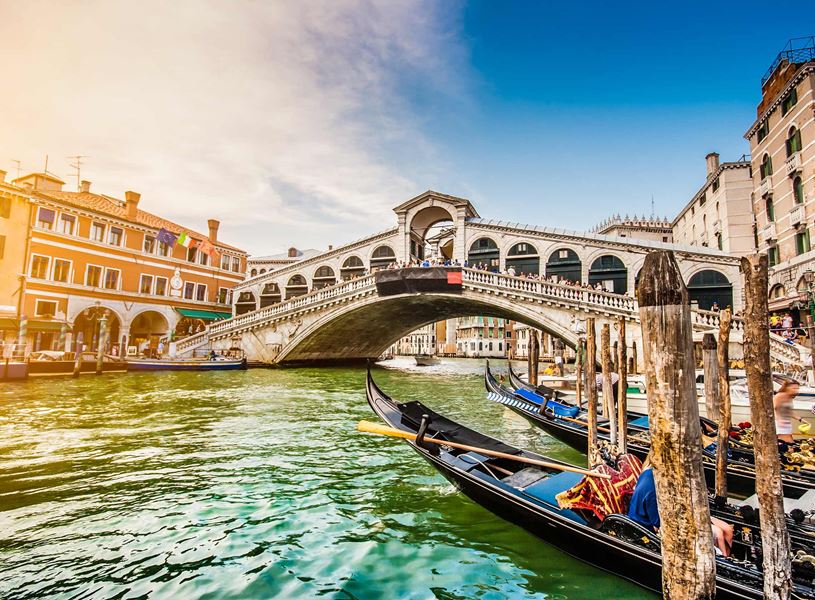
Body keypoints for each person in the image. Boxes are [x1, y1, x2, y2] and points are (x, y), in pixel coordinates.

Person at [628, 455, 733, 556]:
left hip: (676, 517)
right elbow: (659, 524)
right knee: (719, 533)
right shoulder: (653, 484)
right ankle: (723, 561)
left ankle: (725, 559)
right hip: (650, 530)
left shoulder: (653, 474)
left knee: (727, 529)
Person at [774, 380, 802, 444]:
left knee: (786, 444)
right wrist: (779, 420)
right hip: (780, 423)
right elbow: (774, 409)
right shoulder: (779, 396)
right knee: (789, 444)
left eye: (797, 388)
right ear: (787, 388)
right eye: (794, 388)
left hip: (786, 423)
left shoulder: (789, 397)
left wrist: (800, 419)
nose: (796, 390)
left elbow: (789, 411)